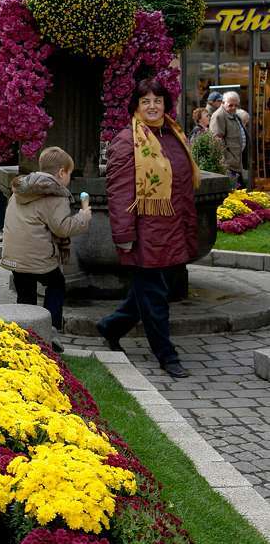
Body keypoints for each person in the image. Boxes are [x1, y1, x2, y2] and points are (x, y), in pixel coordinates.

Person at [97, 78, 200, 379]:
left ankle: (111, 326)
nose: (153, 106)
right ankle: (167, 356)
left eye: (158, 100)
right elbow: (119, 194)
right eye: (146, 101)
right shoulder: (127, 142)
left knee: (150, 291)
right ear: (136, 106)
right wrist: (124, 236)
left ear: (166, 104)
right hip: (146, 234)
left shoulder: (174, 135)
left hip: (173, 228)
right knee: (155, 296)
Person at [1, 147, 91, 339]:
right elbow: (63, 228)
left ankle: (25, 332)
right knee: (57, 283)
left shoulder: (20, 188)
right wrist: (83, 216)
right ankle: (51, 328)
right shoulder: (55, 195)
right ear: (61, 172)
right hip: (37, 256)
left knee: (25, 295)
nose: (69, 178)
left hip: (13, 256)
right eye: (69, 173)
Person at [210, 90, 246, 187]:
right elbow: (217, 141)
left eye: (236, 105)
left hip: (236, 162)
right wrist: (229, 160)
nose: (233, 107)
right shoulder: (219, 116)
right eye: (230, 105)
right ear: (223, 103)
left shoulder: (234, 115)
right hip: (229, 166)